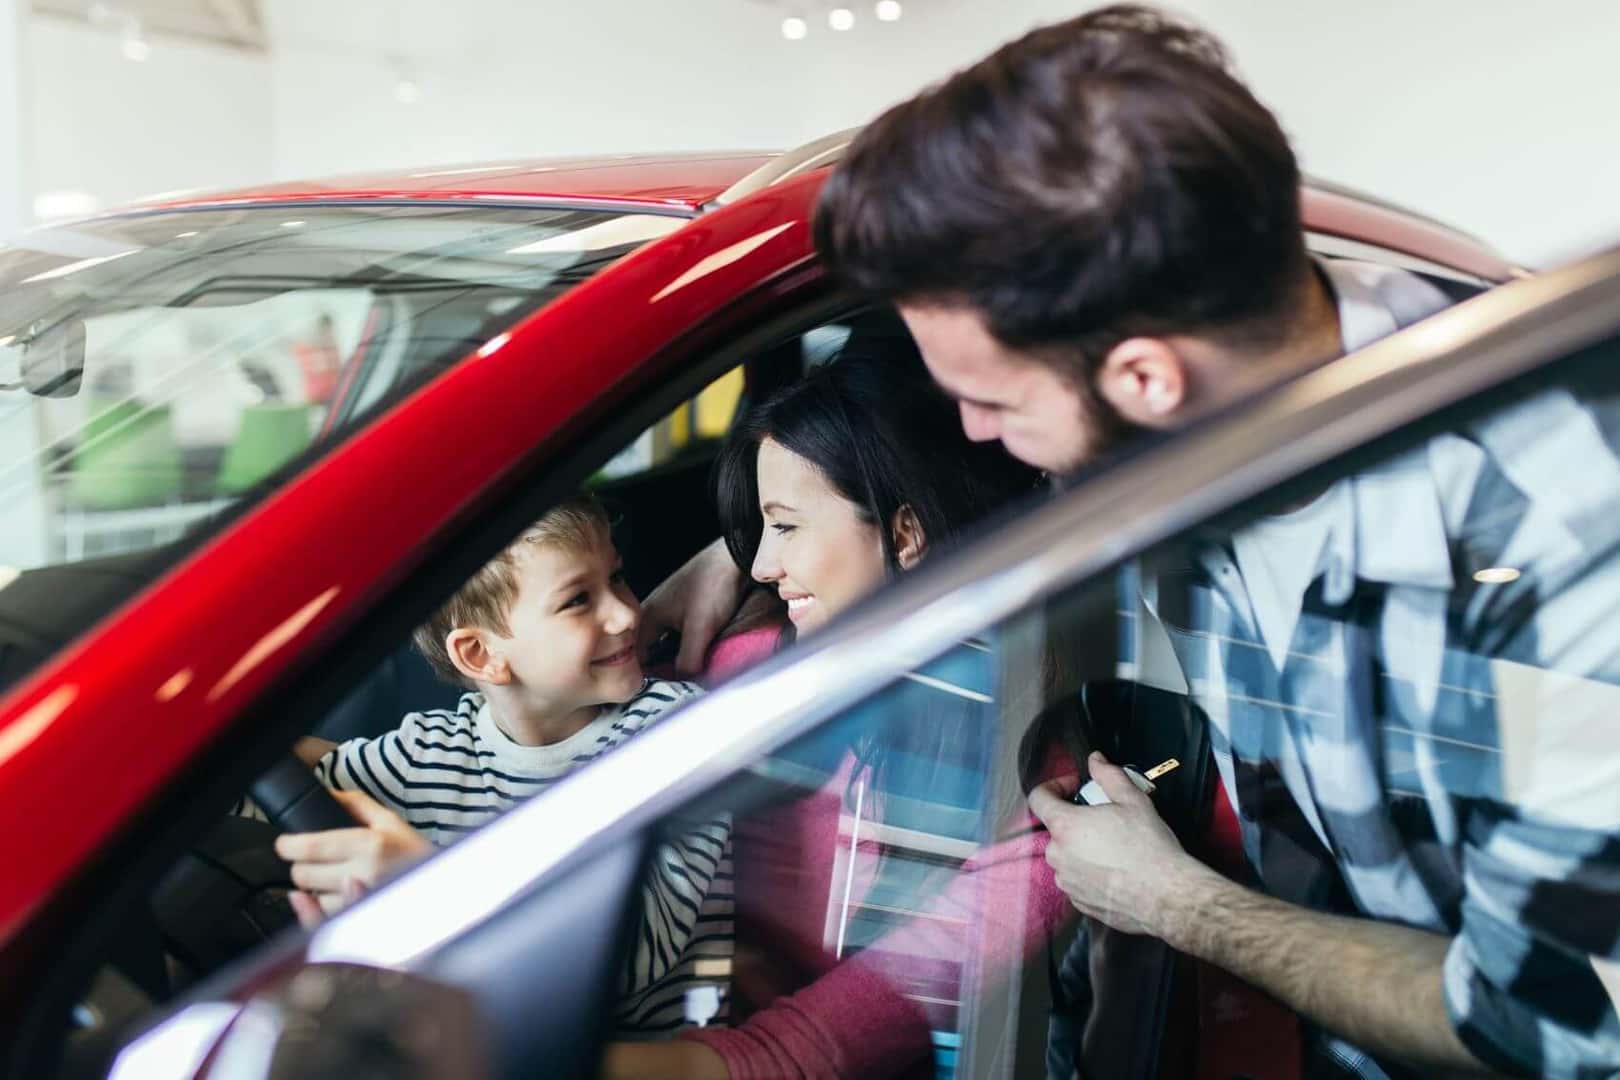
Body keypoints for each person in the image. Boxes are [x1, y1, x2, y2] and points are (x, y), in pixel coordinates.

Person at [646, 6, 1620, 1077]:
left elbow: (1555, 1025)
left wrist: (1180, 905)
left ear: (1150, 381)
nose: (974, 432)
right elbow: (941, 491)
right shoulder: (1210, 396)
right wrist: (751, 542)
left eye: (990, 400)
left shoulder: (1566, 538)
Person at [604, 348, 1066, 1078]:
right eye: (758, 533)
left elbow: (801, 1052)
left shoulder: (1033, 795)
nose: (757, 565)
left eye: (783, 527)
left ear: (907, 534)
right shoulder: (741, 666)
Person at [275, 494, 729, 1035]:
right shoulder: (430, 752)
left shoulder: (675, 733)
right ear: (480, 656)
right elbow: (294, 778)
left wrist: (430, 889)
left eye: (617, 578)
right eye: (579, 600)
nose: (627, 612)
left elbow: (629, 960)